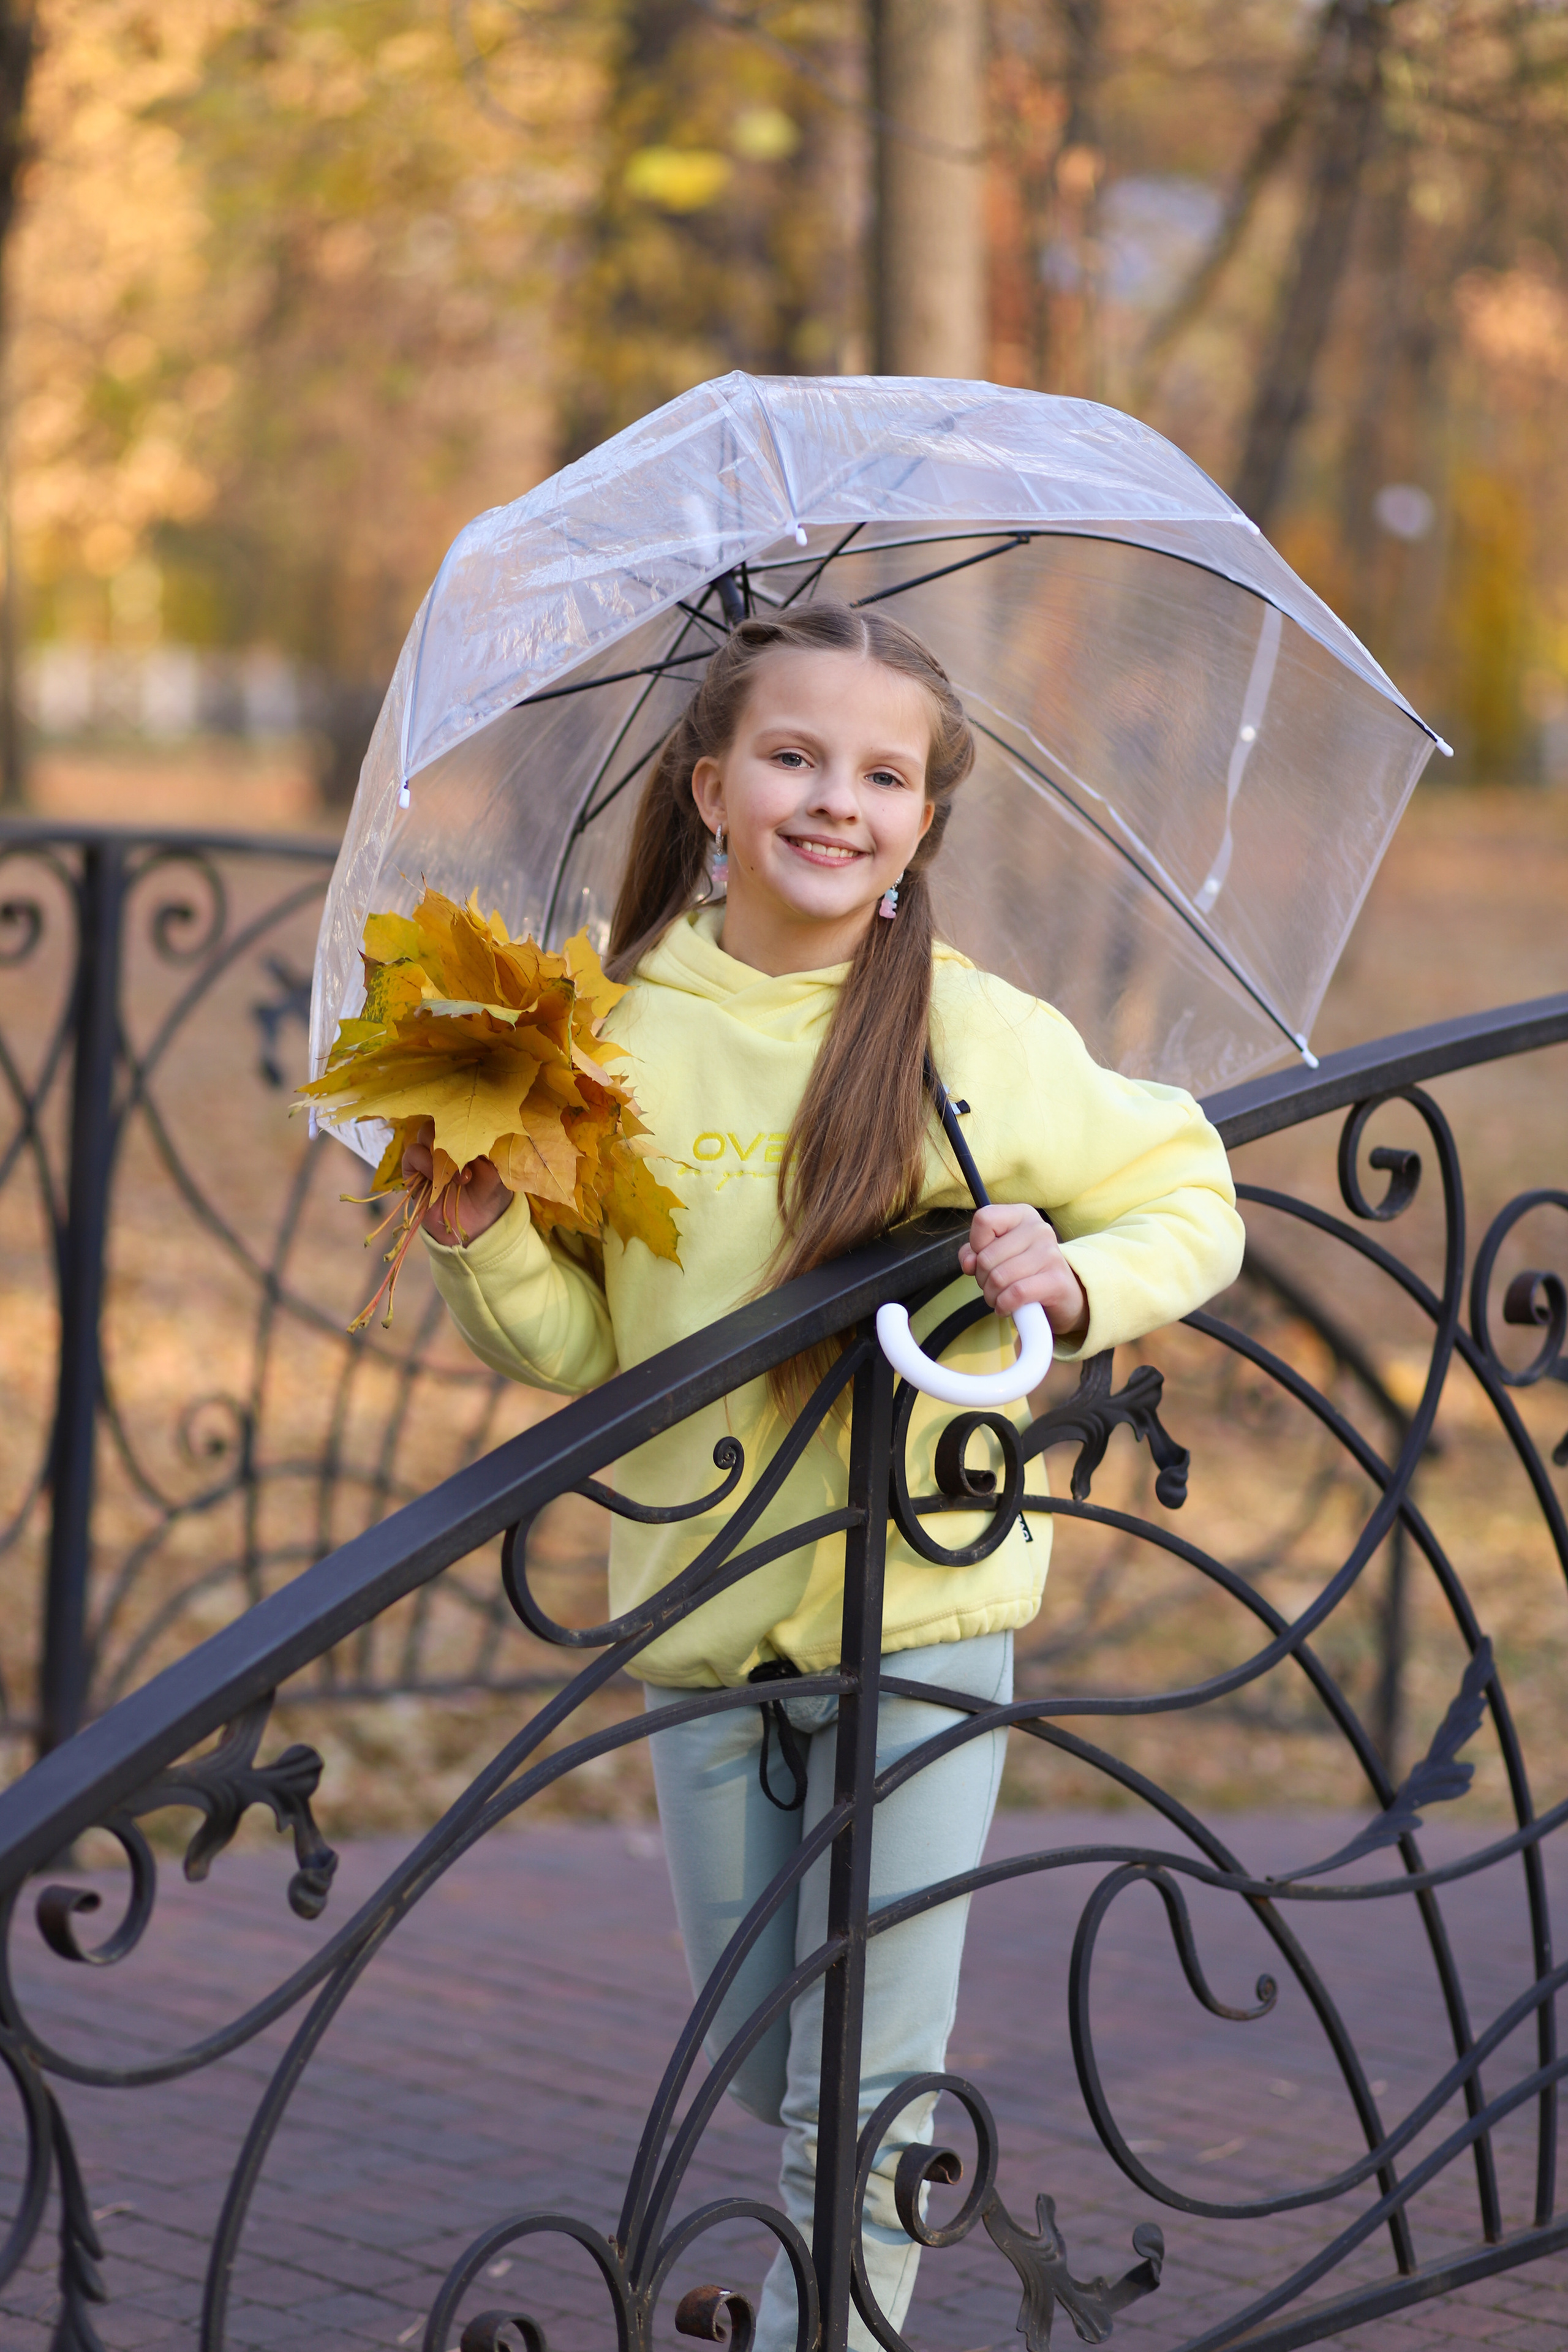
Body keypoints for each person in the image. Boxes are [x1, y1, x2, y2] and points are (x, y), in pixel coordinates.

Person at [407, 601, 1244, 2348]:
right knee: (764, 2042)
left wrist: (1070, 1274)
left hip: (920, 1600)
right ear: (711, 786)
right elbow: (590, 1349)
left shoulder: (976, 1036)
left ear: (926, 818)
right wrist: (487, 1243)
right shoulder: (605, 1033)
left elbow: (1187, 1190)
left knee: (873, 2063)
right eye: (793, 758)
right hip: (703, 1610)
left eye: (884, 773)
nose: (836, 801)